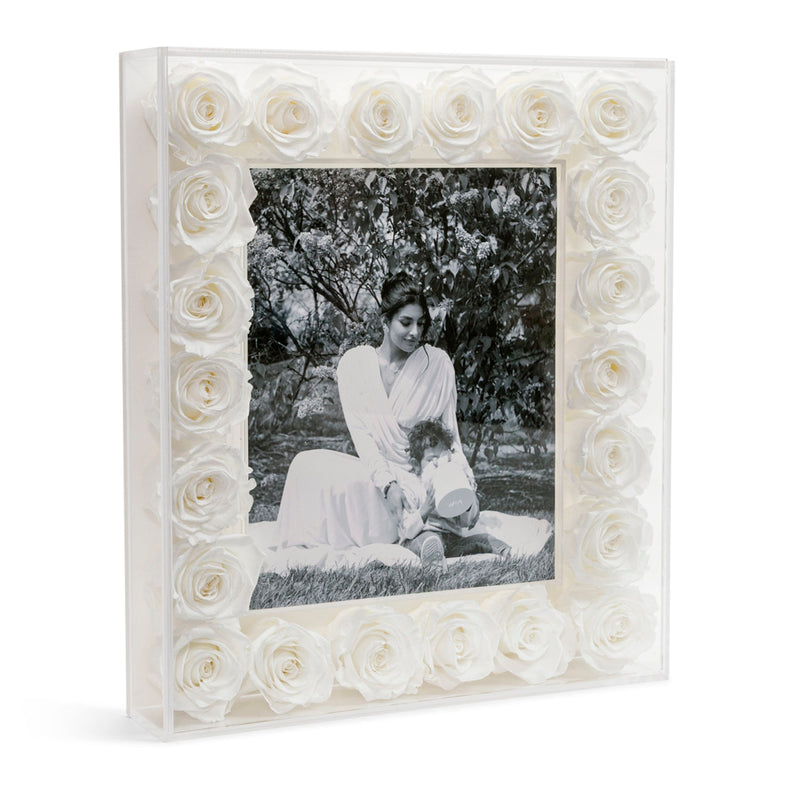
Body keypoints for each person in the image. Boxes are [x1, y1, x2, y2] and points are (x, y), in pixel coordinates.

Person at [276, 272, 479, 551]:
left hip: (418, 480)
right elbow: (363, 439)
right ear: (385, 321)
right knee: (305, 464)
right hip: (378, 475)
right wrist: (387, 485)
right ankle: (420, 534)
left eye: (421, 324)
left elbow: (450, 435)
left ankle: (424, 532)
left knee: (422, 496)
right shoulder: (354, 365)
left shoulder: (438, 365)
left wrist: (468, 485)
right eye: (405, 323)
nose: (415, 333)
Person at [399, 419, 510, 571]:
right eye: (432, 459)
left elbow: (465, 523)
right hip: (420, 538)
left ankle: (508, 553)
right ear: (416, 465)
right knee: (429, 540)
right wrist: (425, 509)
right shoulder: (412, 487)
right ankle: (433, 562)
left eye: (444, 457)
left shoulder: (450, 482)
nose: (439, 464)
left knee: (483, 539)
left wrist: (466, 504)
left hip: (452, 540)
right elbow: (406, 530)